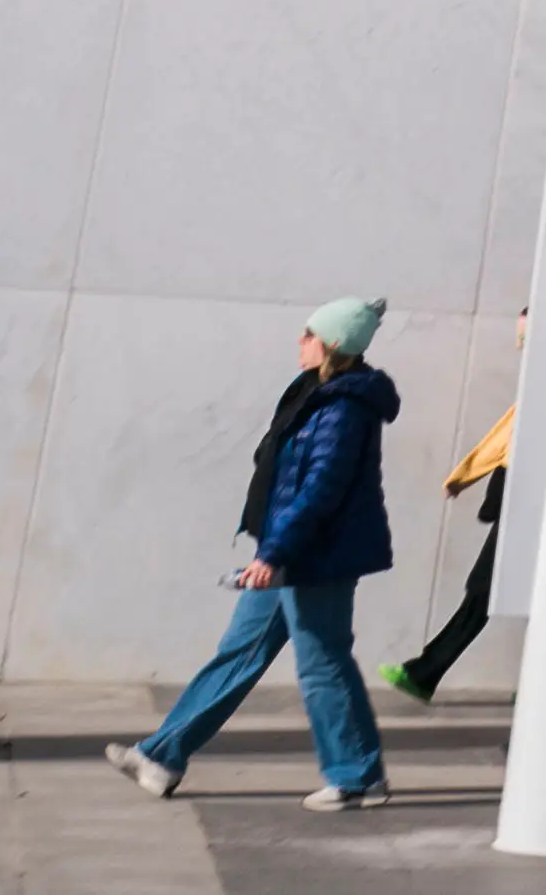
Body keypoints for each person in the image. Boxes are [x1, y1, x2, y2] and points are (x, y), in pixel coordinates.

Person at [106, 299, 400, 808]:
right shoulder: (314, 393)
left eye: (308, 334)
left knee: (323, 663)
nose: (299, 341)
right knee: (239, 653)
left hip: (317, 558)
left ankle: (358, 777)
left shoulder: (345, 407)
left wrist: (275, 553)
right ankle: (162, 756)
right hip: (285, 551)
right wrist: (270, 547)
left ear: (330, 344)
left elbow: (319, 490)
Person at [383, 315, 523, 704]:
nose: (521, 339)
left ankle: (425, 672)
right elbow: (502, 440)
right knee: (482, 591)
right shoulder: (541, 385)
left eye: (525, 331)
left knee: (483, 590)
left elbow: (504, 442)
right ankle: (425, 672)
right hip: (518, 502)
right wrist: (465, 475)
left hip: (529, 505)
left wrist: (465, 475)